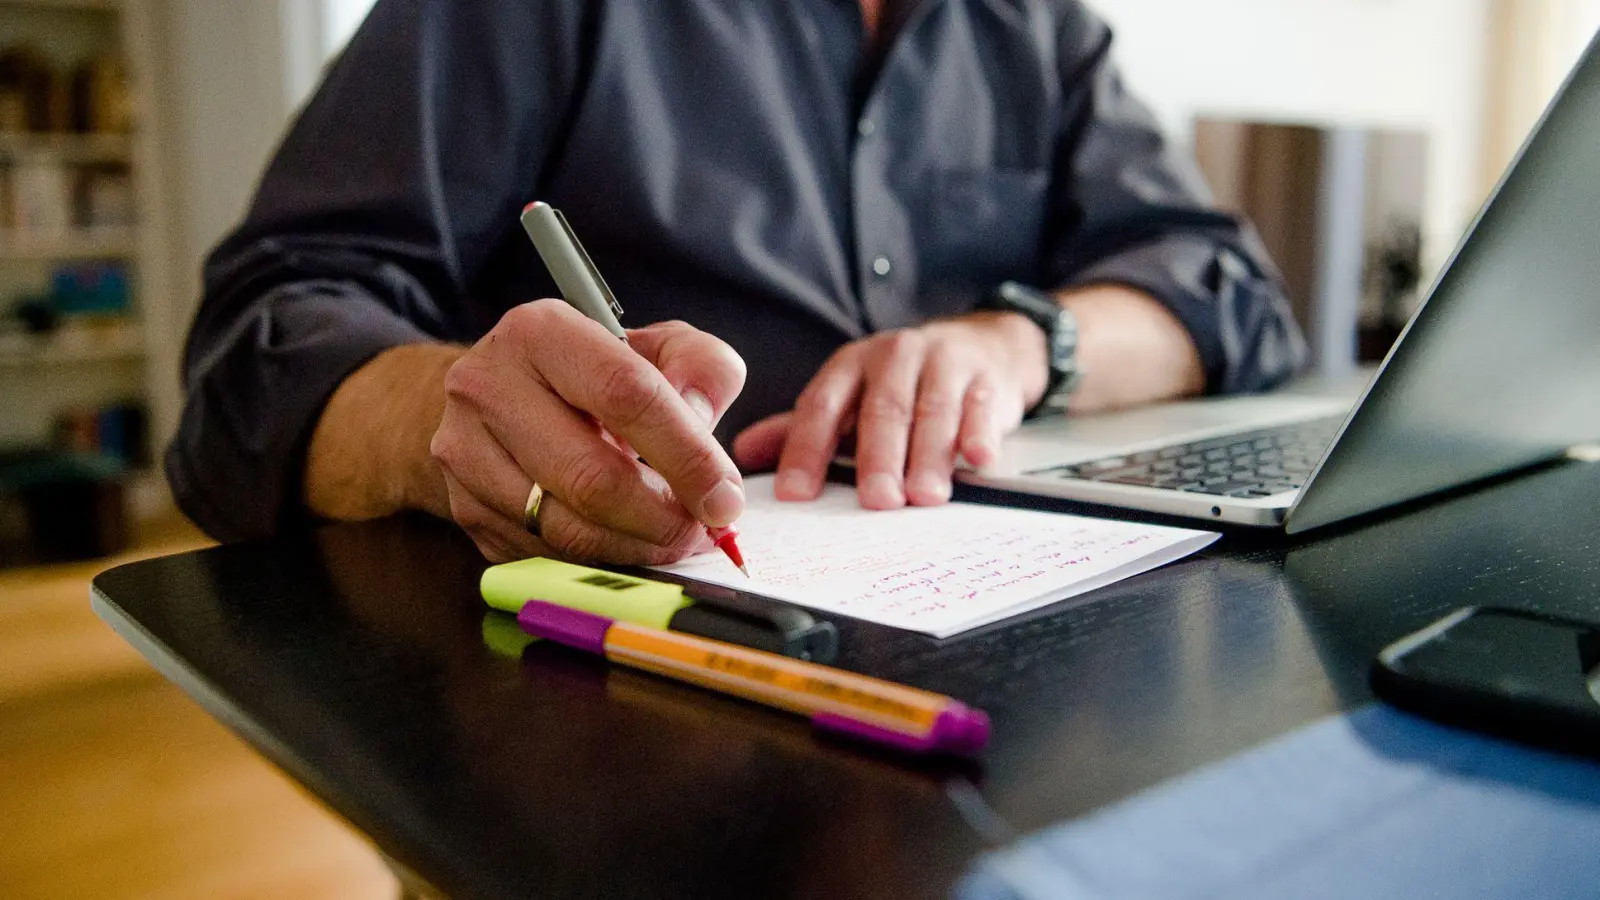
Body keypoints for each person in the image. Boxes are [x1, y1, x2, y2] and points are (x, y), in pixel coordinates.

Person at [169, 0, 1305, 567]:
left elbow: (1223, 289)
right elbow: (259, 338)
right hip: (595, 715)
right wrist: (444, 413)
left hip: (992, 658)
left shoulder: (1035, 24)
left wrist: (1020, 346)